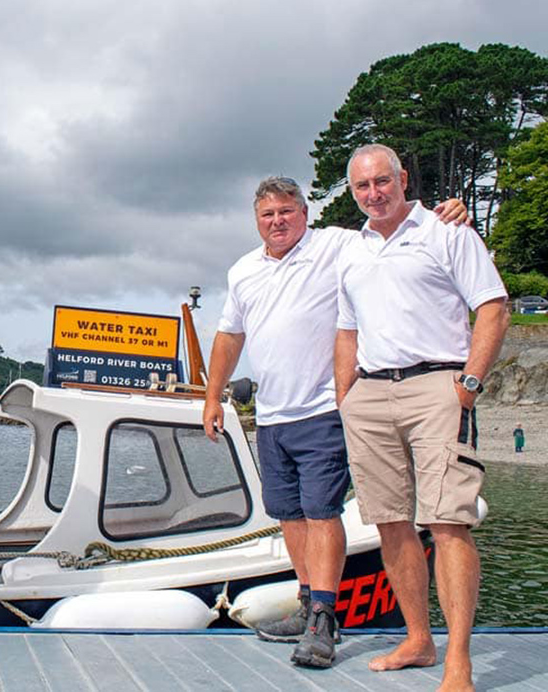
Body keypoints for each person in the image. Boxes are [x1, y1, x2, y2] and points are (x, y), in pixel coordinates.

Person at [203, 176, 467, 669]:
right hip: (272, 414)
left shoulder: (336, 245)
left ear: (305, 213)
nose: (278, 221)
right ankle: (308, 606)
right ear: (256, 221)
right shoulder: (243, 271)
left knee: (322, 511)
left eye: (286, 211)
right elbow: (229, 335)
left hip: (325, 408)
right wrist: (212, 397)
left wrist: (446, 212)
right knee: (289, 513)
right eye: (267, 215)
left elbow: (391, 223)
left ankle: (324, 620)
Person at [335, 144, 510, 691]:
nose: (374, 194)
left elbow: (493, 306)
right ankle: (417, 639)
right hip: (370, 393)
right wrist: (346, 398)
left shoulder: (447, 231)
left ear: (402, 178)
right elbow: (347, 331)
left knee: (447, 521)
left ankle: (459, 660)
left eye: (382, 182)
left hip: (440, 384)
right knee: (389, 520)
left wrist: (468, 385)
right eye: (362, 187)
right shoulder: (352, 251)